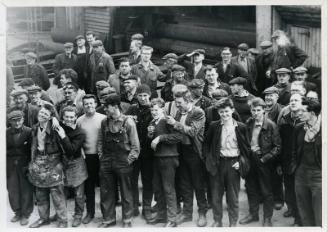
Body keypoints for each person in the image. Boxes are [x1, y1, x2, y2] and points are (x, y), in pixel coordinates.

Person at [204, 97, 250, 227]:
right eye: (221, 112)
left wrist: (241, 162)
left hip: (233, 164)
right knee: (216, 196)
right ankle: (217, 221)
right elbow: (206, 145)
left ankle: (232, 223)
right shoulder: (214, 126)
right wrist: (209, 160)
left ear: (232, 110)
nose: (224, 114)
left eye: (226, 111)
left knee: (233, 197)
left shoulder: (241, 127)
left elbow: (246, 149)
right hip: (217, 164)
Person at [97, 93, 140, 228]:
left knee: (126, 192)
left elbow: (135, 146)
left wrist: (129, 160)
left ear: (115, 106)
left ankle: (127, 219)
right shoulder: (104, 122)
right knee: (106, 191)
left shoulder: (128, 122)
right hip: (107, 161)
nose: (105, 109)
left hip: (123, 161)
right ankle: (108, 219)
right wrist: (101, 156)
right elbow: (100, 141)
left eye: (107, 107)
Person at [166, 90, 207, 227]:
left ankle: (202, 213)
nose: (177, 106)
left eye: (179, 103)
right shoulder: (178, 112)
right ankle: (187, 213)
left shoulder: (198, 112)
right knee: (184, 184)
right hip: (181, 151)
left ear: (188, 101)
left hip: (194, 152)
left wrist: (175, 124)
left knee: (198, 184)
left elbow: (193, 131)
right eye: (176, 103)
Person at [240, 98, 281, 227]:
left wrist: (264, 158)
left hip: (264, 161)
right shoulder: (249, 123)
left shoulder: (271, 125)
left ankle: (267, 218)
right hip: (250, 159)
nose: (256, 113)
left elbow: (278, 147)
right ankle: (253, 214)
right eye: (253, 110)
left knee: (266, 190)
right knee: (251, 188)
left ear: (264, 110)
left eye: (258, 110)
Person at [28, 103, 68, 228]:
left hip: (54, 162)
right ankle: (43, 218)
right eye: (41, 112)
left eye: (46, 114)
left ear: (50, 117)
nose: (42, 115)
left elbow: (64, 148)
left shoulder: (56, 127)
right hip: (39, 162)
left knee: (57, 193)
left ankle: (63, 220)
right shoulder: (34, 128)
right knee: (40, 193)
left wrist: (62, 166)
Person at [146, 98, 183, 227]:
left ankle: (172, 219)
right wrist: (150, 135)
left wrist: (160, 138)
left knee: (168, 188)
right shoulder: (152, 122)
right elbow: (151, 141)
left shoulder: (168, 120)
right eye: (152, 110)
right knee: (158, 188)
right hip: (157, 158)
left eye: (156, 109)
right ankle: (161, 216)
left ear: (162, 109)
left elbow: (179, 137)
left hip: (169, 158)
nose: (154, 112)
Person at [52, 106, 87, 227]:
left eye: (72, 117)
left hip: (76, 163)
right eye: (66, 117)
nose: (69, 119)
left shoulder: (80, 132)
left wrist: (63, 136)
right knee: (60, 191)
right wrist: (53, 119)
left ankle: (78, 215)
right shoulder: (58, 126)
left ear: (76, 118)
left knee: (79, 193)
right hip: (61, 162)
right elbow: (48, 111)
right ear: (62, 117)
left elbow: (71, 150)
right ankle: (62, 217)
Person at [76, 94, 106, 224]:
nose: (89, 106)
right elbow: (77, 139)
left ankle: (107, 214)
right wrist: (81, 151)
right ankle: (90, 212)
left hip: (102, 157)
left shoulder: (103, 118)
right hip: (87, 157)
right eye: (86, 103)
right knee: (89, 187)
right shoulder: (79, 120)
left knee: (105, 186)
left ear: (95, 103)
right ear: (83, 105)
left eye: (91, 103)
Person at [125, 84, 154, 221]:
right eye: (140, 95)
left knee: (148, 181)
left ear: (149, 96)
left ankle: (147, 208)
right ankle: (134, 207)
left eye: (145, 95)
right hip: (134, 151)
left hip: (149, 152)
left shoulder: (153, 109)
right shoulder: (132, 108)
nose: (142, 98)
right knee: (132, 180)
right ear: (136, 96)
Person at [292, 98, 321, 226]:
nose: (299, 113)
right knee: (304, 210)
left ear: (313, 113)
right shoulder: (299, 128)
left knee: (320, 214)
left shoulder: (322, 131)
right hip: (301, 173)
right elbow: (293, 150)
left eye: (303, 111)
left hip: (319, 175)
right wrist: (295, 168)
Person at [277, 93, 303, 225]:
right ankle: (291, 209)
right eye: (291, 100)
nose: (293, 102)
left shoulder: (306, 120)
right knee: (289, 188)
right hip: (287, 160)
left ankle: (299, 218)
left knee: (299, 191)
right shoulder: (284, 120)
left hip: (301, 163)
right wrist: (280, 163)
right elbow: (280, 143)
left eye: (296, 100)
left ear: (302, 103)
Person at [7, 110, 34, 226]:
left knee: (26, 190)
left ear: (23, 120)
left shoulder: (29, 132)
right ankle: (17, 212)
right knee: (12, 189)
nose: (17, 123)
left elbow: (32, 150)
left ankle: (25, 214)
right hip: (11, 164)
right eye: (14, 121)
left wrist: (30, 164)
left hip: (25, 164)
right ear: (10, 122)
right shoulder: (6, 133)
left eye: (19, 120)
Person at [262, 86, 284, 210]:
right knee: (265, 174)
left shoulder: (281, 110)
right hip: (264, 147)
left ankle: (278, 199)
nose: (268, 97)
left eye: (271, 95)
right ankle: (265, 197)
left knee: (276, 174)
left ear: (277, 96)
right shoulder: (263, 108)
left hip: (276, 146)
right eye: (266, 95)